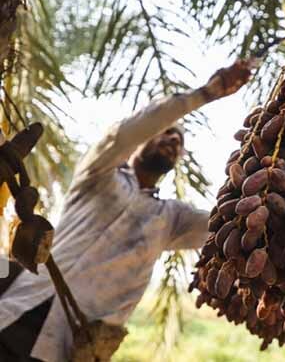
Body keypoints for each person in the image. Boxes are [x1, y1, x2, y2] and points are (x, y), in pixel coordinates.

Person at [0, 59, 252, 362]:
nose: (173, 139)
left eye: (179, 140)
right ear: (143, 140)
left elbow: (226, 224)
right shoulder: (99, 173)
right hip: (15, 313)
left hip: (67, 349)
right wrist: (205, 94)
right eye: (167, 132)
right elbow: (127, 133)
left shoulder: (171, 219)